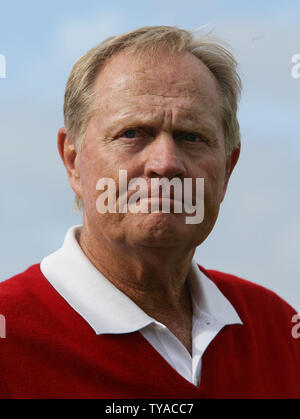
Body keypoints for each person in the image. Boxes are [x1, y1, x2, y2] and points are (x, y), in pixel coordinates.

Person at [0, 25, 299, 399]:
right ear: (73, 160)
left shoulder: (278, 331)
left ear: (228, 168)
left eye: (191, 136)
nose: (165, 163)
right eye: (132, 134)